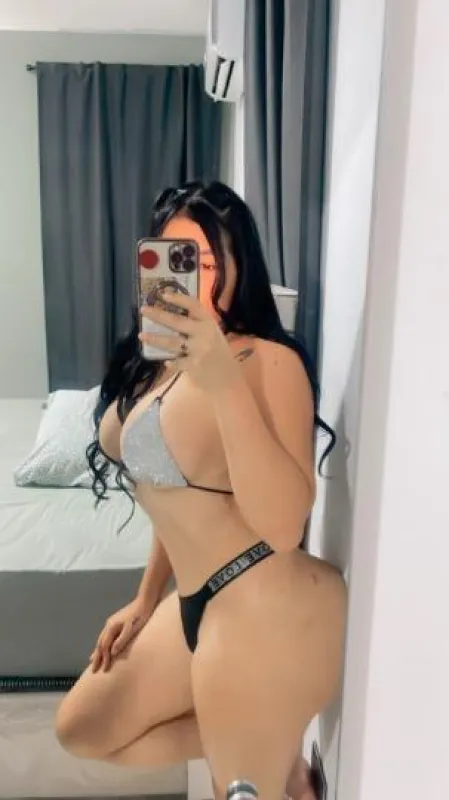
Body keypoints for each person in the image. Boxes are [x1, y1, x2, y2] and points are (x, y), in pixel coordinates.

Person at [54, 182, 347, 800]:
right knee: (81, 728)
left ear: (241, 264)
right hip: (195, 601)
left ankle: (273, 758)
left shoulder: (266, 361)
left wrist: (222, 383)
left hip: (262, 602)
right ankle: (273, 750)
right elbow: (172, 491)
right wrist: (144, 598)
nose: (193, 277)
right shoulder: (156, 363)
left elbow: (284, 526)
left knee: (234, 791)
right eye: (177, 258)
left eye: (208, 261)